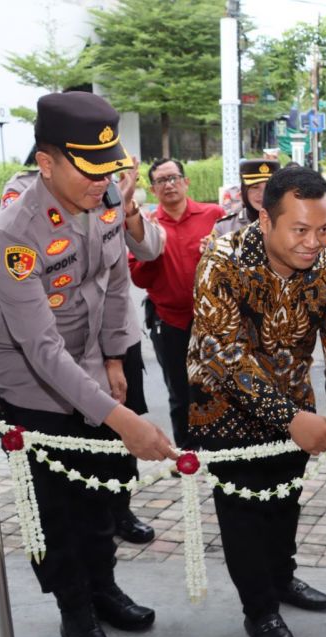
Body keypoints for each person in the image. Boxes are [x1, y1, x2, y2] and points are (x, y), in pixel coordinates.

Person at [0, 91, 177, 637]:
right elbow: (40, 349)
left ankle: (104, 589)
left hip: (91, 363)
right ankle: (74, 606)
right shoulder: (15, 233)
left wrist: (114, 358)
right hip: (30, 385)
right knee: (56, 507)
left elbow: (115, 282)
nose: (104, 182)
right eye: (89, 170)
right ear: (46, 163)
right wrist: (122, 419)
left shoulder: (107, 199)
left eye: (109, 168)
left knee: (101, 493)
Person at [189, 166, 326, 637]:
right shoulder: (221, 260)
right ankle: (261, 610)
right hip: (225, 408)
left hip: (295, 402)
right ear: (266, 220)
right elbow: (225, 356)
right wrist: (292, 418)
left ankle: (282, 578)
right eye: (300, 230)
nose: (314, 242)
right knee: (244, 514)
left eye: (324, 228)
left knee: (285, 500)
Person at [0, 150, 166, 546]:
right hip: (57, 350)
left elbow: (142, 256)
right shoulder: (22, 197)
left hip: (113, 336)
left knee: (120, 435)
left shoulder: (109, 193)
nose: (103, 175)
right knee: (70, 460)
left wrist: (126, 205)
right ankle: (85, 534)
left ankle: (119, 509)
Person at [129, 159, 224, 447]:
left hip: (212, 321)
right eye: (161, 181)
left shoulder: (214, 215)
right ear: (153, 189)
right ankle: (187, 455)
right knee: (180, 392)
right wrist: (154, 251)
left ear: (185, 181)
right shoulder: (146, 225)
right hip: (170, 322)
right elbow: (138, 278)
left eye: (173, 178)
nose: (169, 185)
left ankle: (219, 453)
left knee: (217, 388)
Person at [210, 159, 280, 240]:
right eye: (255, 187)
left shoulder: (287, 223)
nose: (262, 194)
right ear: (243, 191)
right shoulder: (224, 227)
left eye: (268, 187)